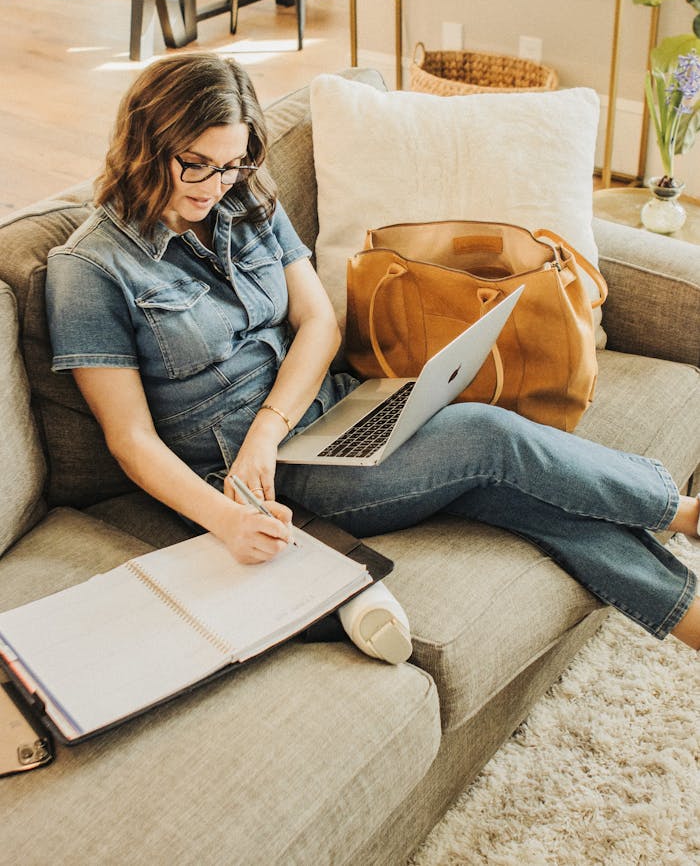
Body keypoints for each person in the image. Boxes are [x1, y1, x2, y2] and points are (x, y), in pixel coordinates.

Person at [45, 53, 700, 655]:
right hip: (263, 479)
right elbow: (130, 439)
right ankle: (684, 514)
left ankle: (691, 617)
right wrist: (226, 518)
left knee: (525, 499)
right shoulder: (88, 269)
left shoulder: (243, 198)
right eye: (196, 163)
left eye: (230, 164)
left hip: (329, 411)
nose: (214, 185)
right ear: (144, 143)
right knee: (489, 437)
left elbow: (319, 324)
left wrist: (270, 427)